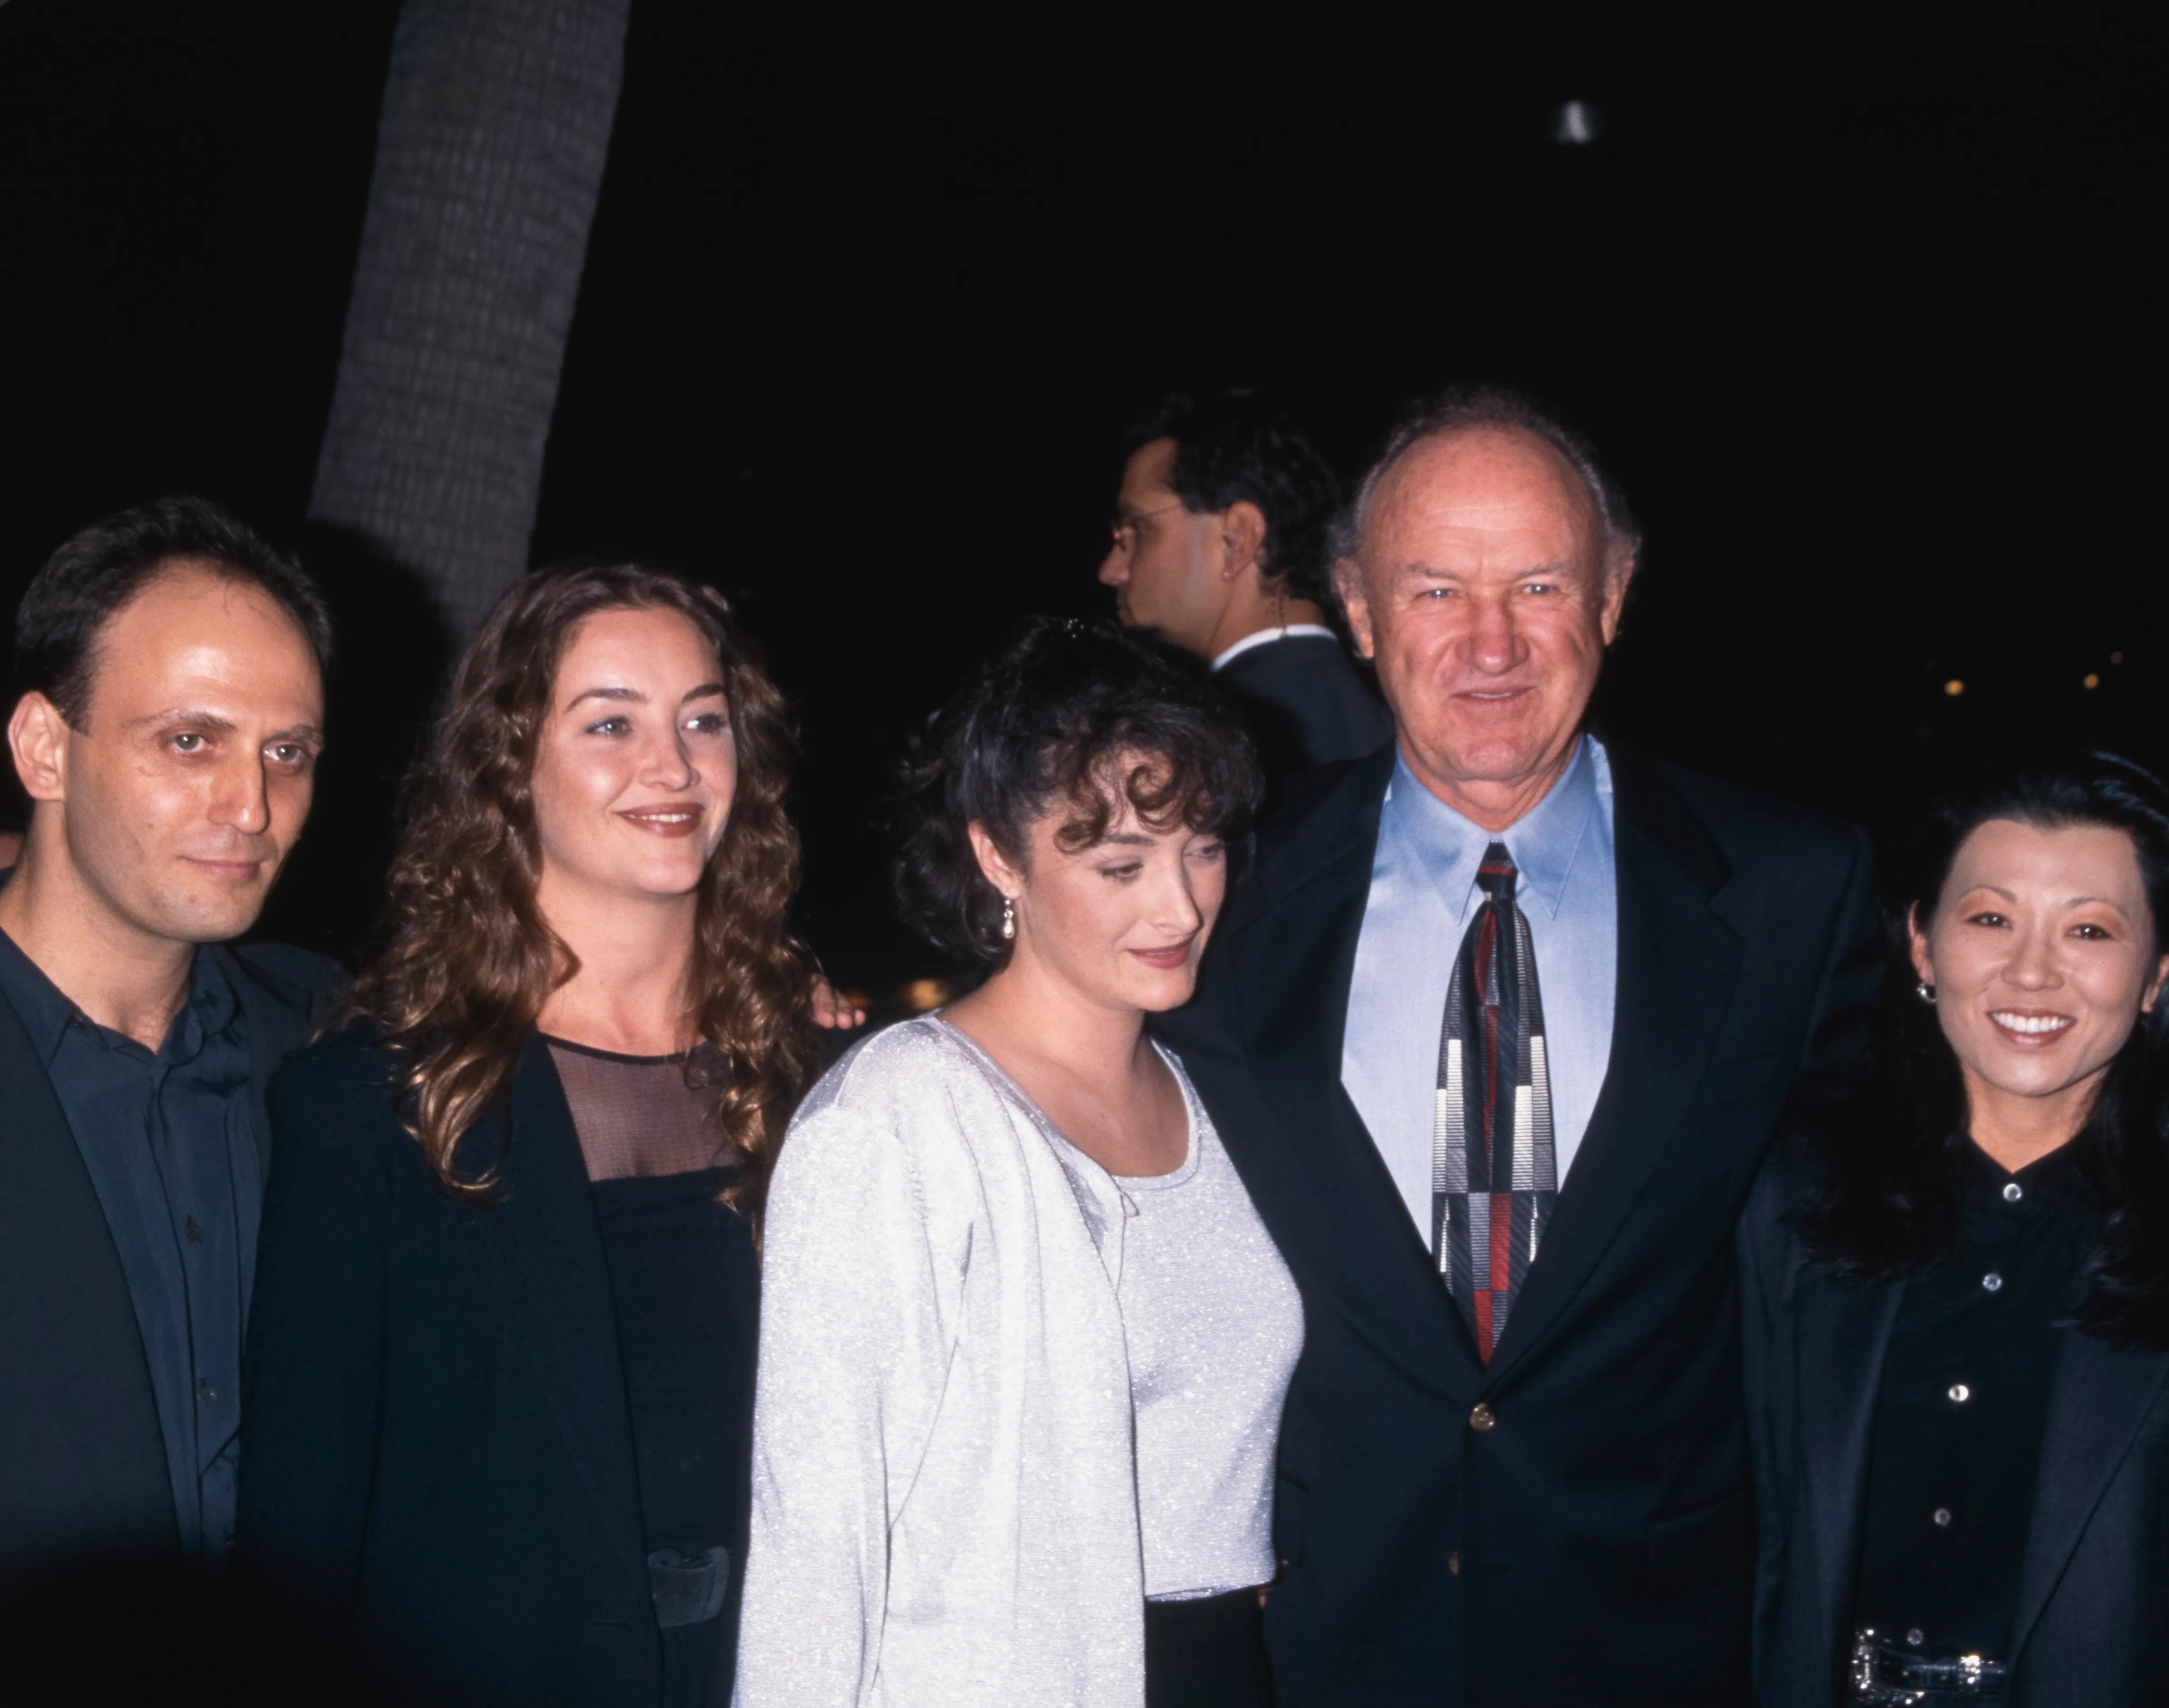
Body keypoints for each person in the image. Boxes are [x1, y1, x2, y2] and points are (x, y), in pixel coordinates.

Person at [1155, 387, 1886, 1704]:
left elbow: (1896, 1241)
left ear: (1611, 598)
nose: (1489, 644)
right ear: (1359, 614)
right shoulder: (1218, 893)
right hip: (1314, 1643)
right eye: (1434, 591)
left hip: (1654, 1646)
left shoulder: (1788, 890)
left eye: (1538, 585)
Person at [238, 566, 826, 1708]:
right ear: (512, 767)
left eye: (702, 719)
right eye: (611, 722)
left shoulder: (824, 1086)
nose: (672, 766)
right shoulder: (374, 1100)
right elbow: (297, 1540)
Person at [737, 619, 1300, 1708]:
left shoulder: (1216, 1099)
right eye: (1119, 862)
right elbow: (813, 1540)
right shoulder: (898, 1119)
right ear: (998, 851)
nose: (1178, 904)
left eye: (1203, 845)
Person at [1740, 754, 2169, 1706]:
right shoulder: (1784, 1203)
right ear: (1923, 946)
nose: (2032, 970)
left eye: (2091, 929)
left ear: (2159, 973)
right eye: (1990, 917)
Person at [0, 497, 341, 1589]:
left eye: (286, 751)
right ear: (46, 747)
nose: (251, 805)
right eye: (189, 740)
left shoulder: (336, 1040)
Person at [1099, 390, 1390, 785]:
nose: (1110, 571)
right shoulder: (1385, 718)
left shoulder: (1209, 746)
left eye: (1134, 532)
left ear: (1236, 539)